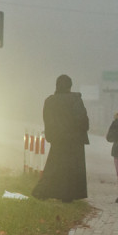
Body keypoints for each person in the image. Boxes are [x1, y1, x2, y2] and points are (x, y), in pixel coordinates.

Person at [32, 74, 90, 202]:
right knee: (72, 168)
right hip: (75, 140)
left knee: (54, 167)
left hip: (58, 139)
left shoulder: (50, 101)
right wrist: (82, 129)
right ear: (70, 86)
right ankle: (68, 195)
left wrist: (52, 135)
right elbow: (82, 119)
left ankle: (42, 191)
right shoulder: (75, 99)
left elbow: (48, 119)